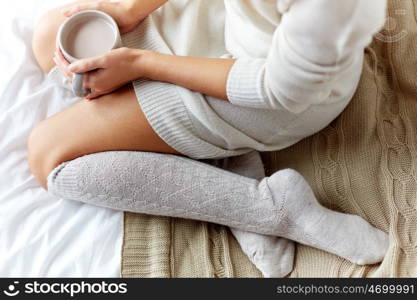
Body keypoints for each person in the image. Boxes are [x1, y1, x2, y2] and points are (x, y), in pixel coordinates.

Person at [29, 0, 389, 277]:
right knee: (51, 35)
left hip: (266, 93)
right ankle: (223, 151)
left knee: (49, 159)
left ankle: (273, 208)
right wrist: (130, 9)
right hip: (227, 22)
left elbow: (278, 90)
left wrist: (141, 64)